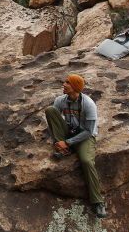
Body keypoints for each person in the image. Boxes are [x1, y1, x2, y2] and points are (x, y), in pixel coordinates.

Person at [44, 74, 106, 219]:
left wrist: (68, 142)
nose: (64, 84)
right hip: (69, 131)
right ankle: (63, 148)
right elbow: (56, 120)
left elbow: (89, 131)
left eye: (68, 83)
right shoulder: (61, 100)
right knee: (50, 110)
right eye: (65, 81)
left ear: (76, 87)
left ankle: (98, 202)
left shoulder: (88, 104)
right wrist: (58, 139)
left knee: (86, 161)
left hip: (85, 136)